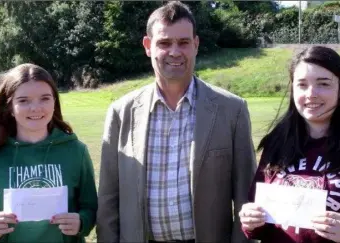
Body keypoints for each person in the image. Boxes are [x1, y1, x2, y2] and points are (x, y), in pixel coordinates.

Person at [97, 2, 256, 243]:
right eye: (164, 43)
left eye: (183, 42)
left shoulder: (232, 109)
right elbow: (108, 198)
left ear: (196, 45)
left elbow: (246, 197)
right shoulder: (121, 112)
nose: (174, 51)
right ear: (148, 46)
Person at [239, 46, 340, 243]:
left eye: (323, 83)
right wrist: (250, 221)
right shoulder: (277, 143)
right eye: (302, 85)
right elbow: (258, 223)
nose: (311, 93)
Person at [0, 63, 98, 243]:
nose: (35, 108)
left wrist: (81, 222)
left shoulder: (76, 151)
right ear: (10, 107)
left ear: (55, 102)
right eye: (23, 100)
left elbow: (91, 208)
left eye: (45, 98)